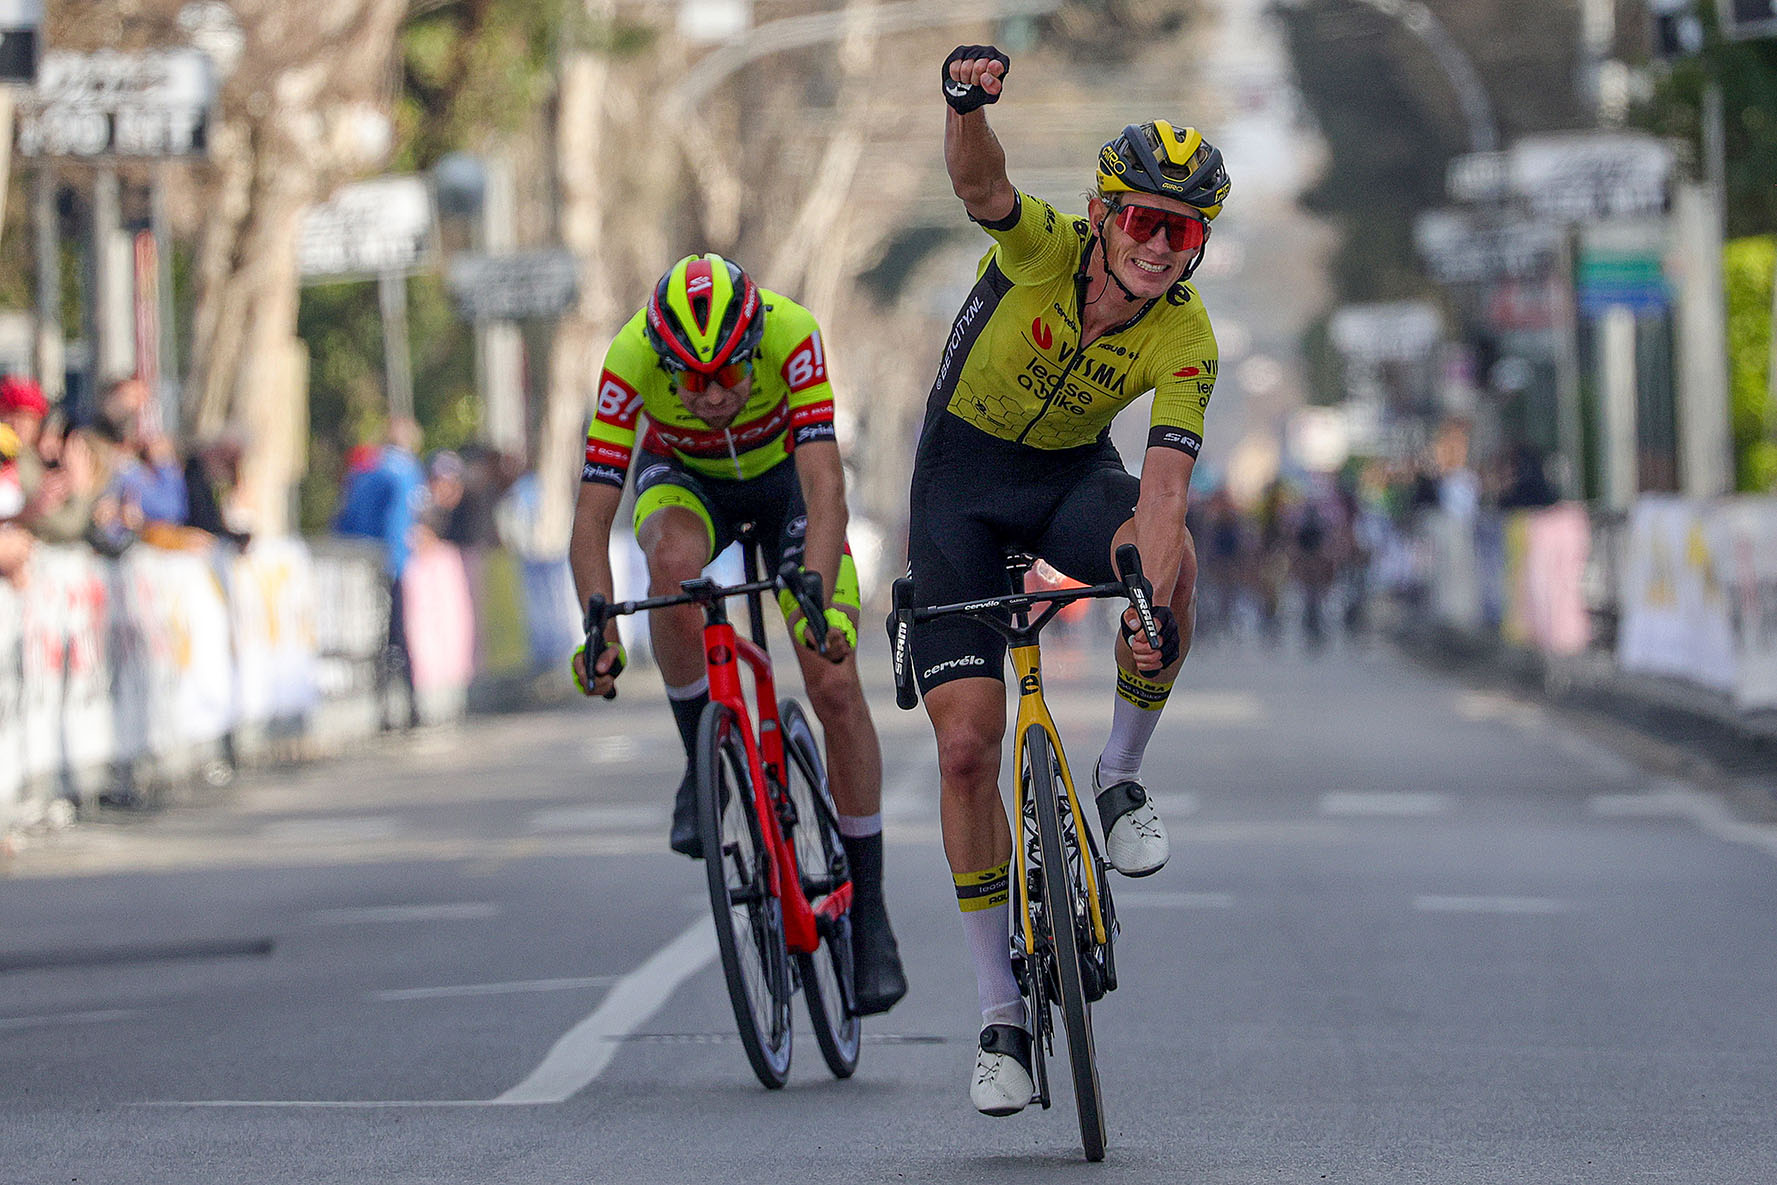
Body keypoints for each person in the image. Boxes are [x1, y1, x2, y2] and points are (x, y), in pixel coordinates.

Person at [910, 46, 1228, 1115]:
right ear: (1102, 214)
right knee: (964, 749)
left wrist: (1144, 601)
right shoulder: (1044, 248)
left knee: (1177, 579)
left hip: (1068, 482)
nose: (1157, 247)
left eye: (1183, 233)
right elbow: (979, 186)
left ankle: (1122, 772)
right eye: (1143, 220)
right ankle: (1000, 1012)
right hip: (959, 481)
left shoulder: (1187, 336)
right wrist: (965, 106)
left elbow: (1166, 495)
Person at [567, 253, 906, 1015]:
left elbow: (825, 489)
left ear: (755, 349)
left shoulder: (794, 334)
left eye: (728, 375)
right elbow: (592, 513)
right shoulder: (625, 358)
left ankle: (871, 910)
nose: (714, 395)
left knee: (832, 681)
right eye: (690, 381)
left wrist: (817, 591)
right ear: (661, 367)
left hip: (788, 482)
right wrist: (598, 623)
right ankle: (701, 756)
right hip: (686, 482)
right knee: (672, 565)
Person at [335, 418, 427, 730]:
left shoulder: (367, 469)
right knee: (398, 636)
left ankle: (386, 710)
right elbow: (402, 518)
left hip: (365, 561)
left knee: (379, 638)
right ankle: (409, 708)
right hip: (392, 563)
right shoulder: (404, 471)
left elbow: (347, 516)